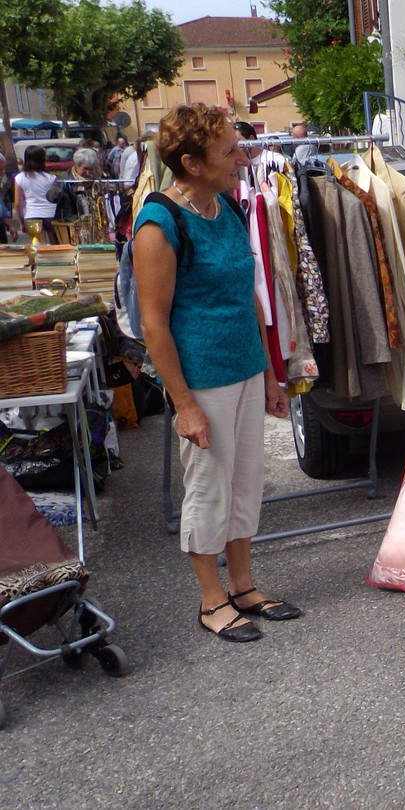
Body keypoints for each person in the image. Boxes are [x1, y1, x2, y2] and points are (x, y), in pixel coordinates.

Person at [131, 103, 300, 643]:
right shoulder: (160, 221)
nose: (243, 158)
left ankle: (245, 585)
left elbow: (247, 292)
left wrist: (271, 374)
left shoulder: (224, 208)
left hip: (246, 369)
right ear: (192, 162)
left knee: (246, 481)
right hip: (202, 377)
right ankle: (211, 600)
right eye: (229, 151)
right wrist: (183, 404)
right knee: (209, 488)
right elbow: (153, 324)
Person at [12, 145, 58, 243]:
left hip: (32, 215)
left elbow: (18, 204)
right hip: (51, 214)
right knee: (55, 246)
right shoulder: (51, 178)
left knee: (37, 247)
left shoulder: (20, 178)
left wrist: (22, 222)